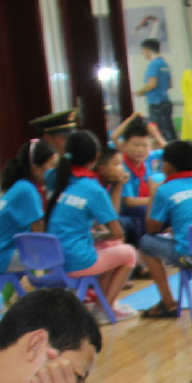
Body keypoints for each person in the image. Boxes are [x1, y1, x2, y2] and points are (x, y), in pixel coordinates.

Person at [45, 130, 138, 318]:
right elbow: (117, 231)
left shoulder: (58, 177)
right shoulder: (93, 189)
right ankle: (104, 309)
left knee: (111, 245)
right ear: (97, 160)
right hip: (74, 261)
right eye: (115, 163)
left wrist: (97, 236)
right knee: (129, 253)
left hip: (52, 259)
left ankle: (102, 301)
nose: (119, 168)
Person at [135, 140, 192, 319]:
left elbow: (151, 229)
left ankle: (168, 303)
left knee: (145, 243)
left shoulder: (165, 189)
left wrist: (153, 195)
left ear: (167, 166)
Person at [0, 139, 55, 279]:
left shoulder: (21, 186)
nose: (55, 172)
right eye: (52, 167)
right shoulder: (26, 189)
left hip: (0, 254)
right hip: (4, 257)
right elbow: (40, 231)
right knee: (70, 253)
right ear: (35, 169)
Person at [113, 114, 165, 254]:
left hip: (147, 203)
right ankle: (145, 255)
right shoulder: (122, 164)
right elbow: (129, 201)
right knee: (145, 212)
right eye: (136, 145)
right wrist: (156, 200)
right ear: (124, 146)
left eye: (145, 145)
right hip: (128, 210)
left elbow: (170, 152)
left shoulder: (150, 159)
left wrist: (155, 134)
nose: (141, 150)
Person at [137, 38, 177, 141]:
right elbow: (170, 84)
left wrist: (139, 92)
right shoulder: (164, 64)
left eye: (143, 51)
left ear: (147, 50)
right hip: (165, 102)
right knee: (169, 129)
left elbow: (152, 84)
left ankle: (168, 153)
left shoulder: (153, 65)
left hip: (156, 104)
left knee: (160, 132)